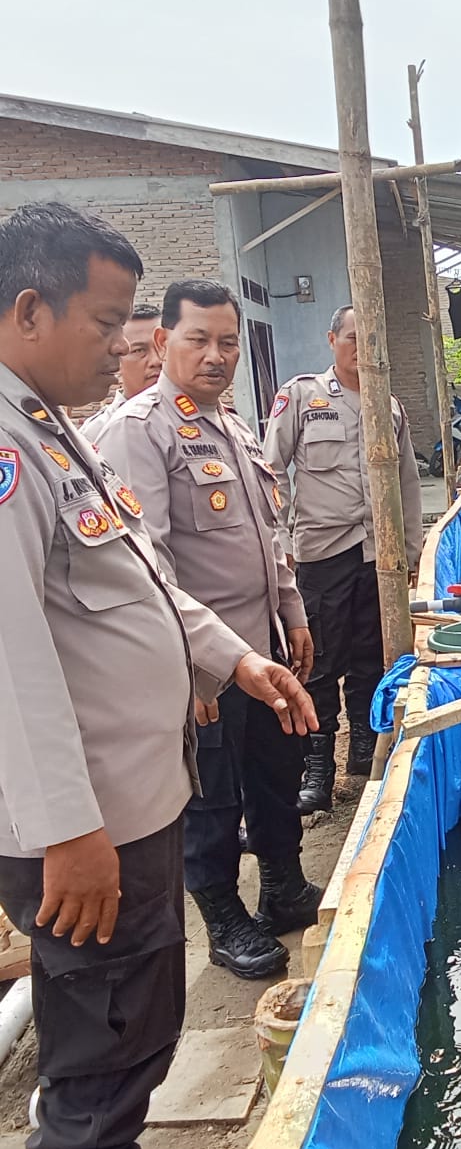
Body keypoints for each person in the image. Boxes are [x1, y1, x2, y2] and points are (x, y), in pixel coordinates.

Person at [0, 201, 316, 1149]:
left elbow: (144, 578)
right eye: (108, 325)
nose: (123, 346)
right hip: (83, 818)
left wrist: (236, 660)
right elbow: (9, 659)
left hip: (125, 797)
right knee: (107, 1009)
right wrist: (65, 831)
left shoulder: (50, 430)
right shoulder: (7, 453)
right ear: (27, 311)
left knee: (135, 998)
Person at [100, 280, 321, 982]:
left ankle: (283, 888)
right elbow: (148, 566)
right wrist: (193, 671)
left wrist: (292, 612)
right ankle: (224, 918)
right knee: (212, 795)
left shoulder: (232, 425)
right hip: (203, 664)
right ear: (164, 342)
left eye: (228, 341)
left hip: (263, 647)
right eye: (200, 338)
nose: (217, 354)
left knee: (275, 770)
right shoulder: (141, 431)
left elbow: (267, 535)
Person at [262, 304, 424, 812]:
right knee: (317, 659)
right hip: (321, 554)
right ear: (332, 339)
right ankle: (317, 766)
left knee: (369, 655)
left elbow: (407, 485)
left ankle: (361, 752)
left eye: (371, 339)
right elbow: (270, 473)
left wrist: (412, 549)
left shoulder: (389, 406)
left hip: (378, 556)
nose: (361, 347)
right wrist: (279, 546)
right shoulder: (304, 397)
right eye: (352, 337)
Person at [78, 302, 162, 441]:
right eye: (139, 350)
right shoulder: (97, 433)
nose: (157, 360)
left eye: (162, 347)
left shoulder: (201, 419)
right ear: (118, 359)